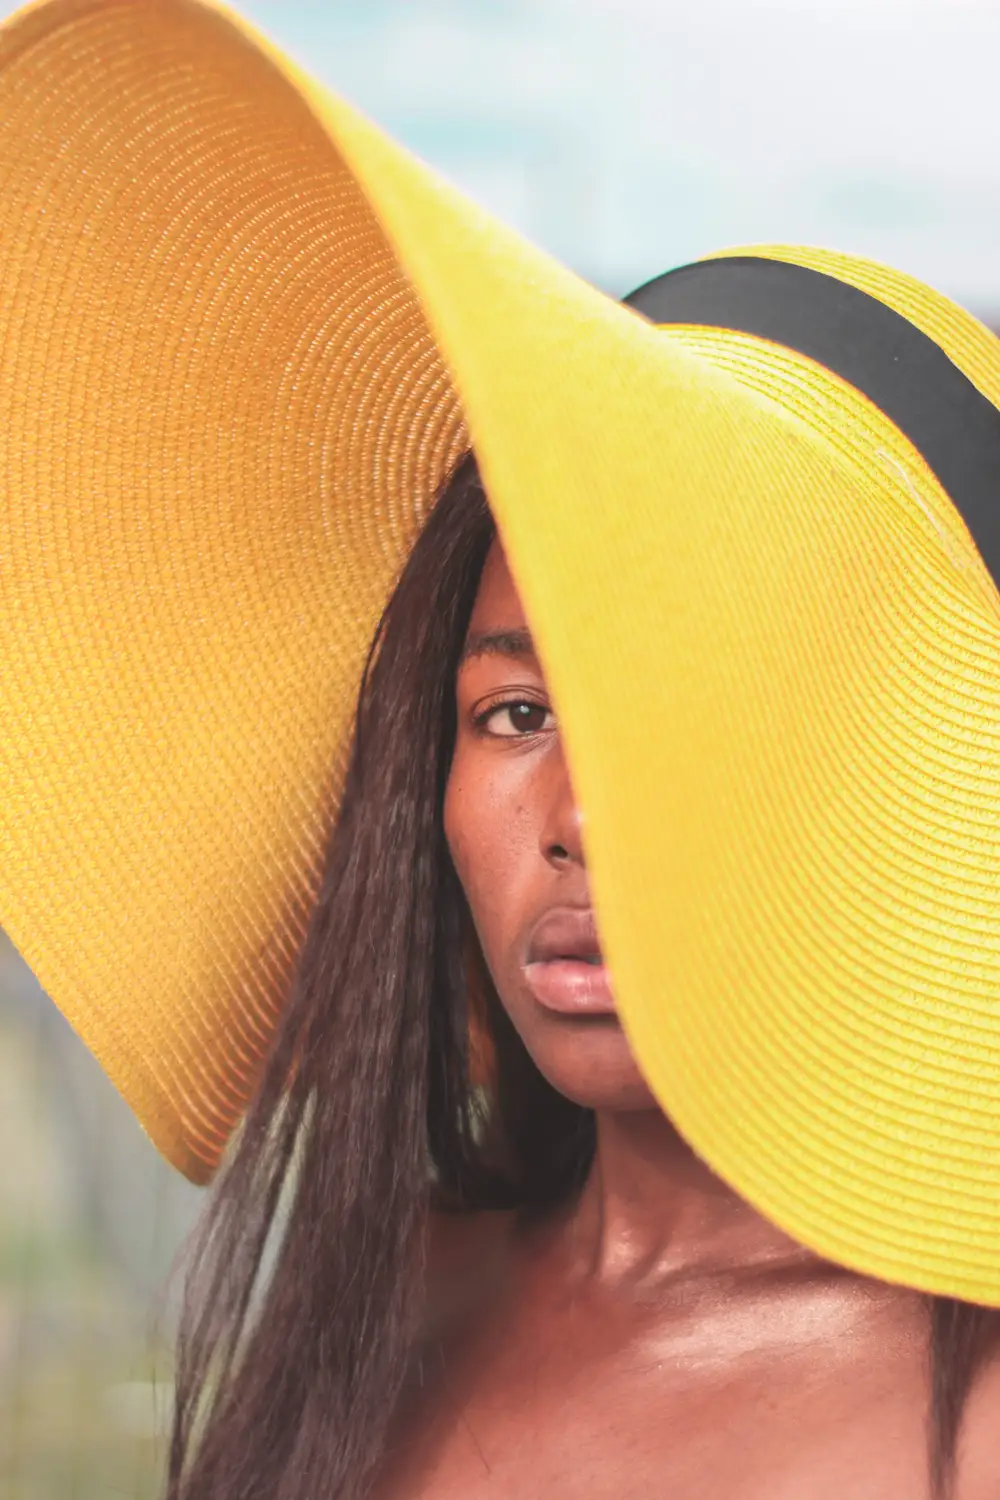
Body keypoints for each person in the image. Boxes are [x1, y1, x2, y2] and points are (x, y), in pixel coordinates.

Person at [2, 4, 1000, 1500]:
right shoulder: (375, 1301)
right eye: (516, 715)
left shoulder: (971, 1412)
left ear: (898, 797)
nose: (579, 817)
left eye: (681, 710)